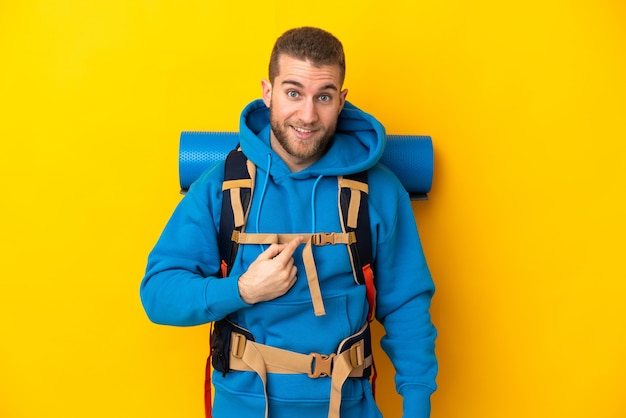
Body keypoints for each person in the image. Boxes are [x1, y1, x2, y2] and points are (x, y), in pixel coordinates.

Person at [140, 26, 437, 418]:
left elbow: (407, 306)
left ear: (341, 100)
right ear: (268, 92)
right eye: (293, 92)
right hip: (242, 406)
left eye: (324, 97)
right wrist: (242, 290)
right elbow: (158, 294)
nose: (308, 115)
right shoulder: (223, 187)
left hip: (346, 406)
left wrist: (416, 407)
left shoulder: (377, 189)